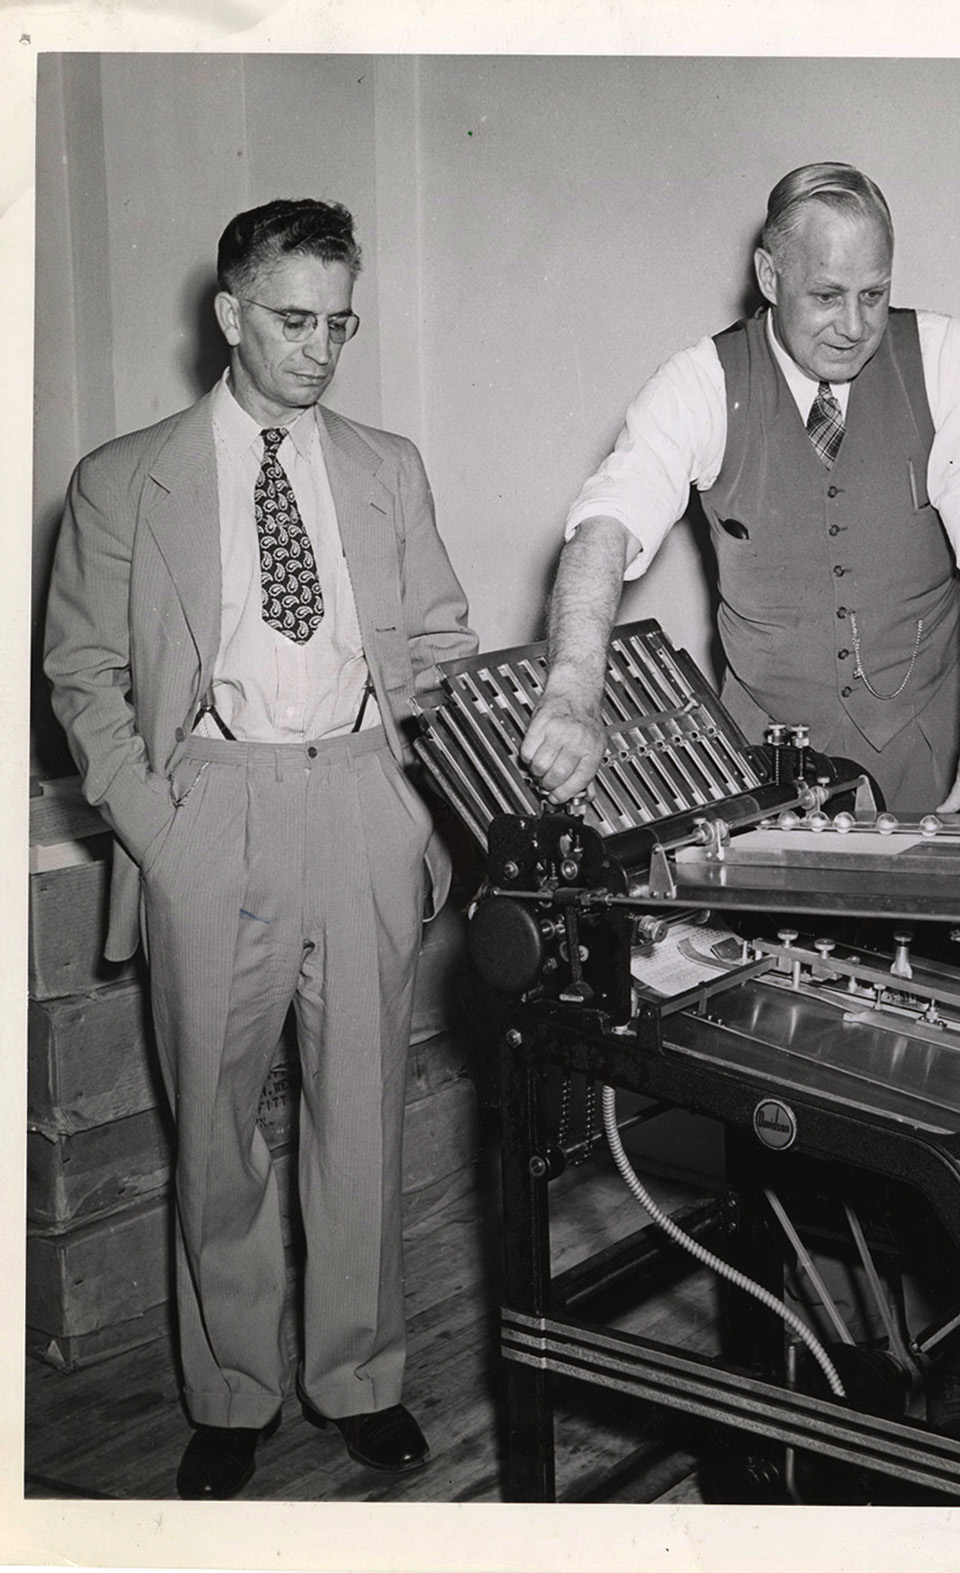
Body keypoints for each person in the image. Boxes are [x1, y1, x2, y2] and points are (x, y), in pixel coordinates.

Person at [43, 199, 477, 1500]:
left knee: (359, 1119)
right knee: (217, 1129)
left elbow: (445, 651)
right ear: (230, 313)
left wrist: (426, 811)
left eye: (338, 324)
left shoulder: (388, 466)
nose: (319, 351)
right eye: (293, 321)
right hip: (209, 814)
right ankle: (228, 1391)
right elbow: (80, 673)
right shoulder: (124, 479)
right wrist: (160, 833)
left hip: (362, 800)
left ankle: (360, 1378)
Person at [519, 161, 960, 825]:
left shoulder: (944, 358)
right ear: (770, 278)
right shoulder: (701, 382)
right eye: (826, 296)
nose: (854, 325)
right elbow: (606, 528)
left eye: (873, 295)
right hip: (762, 771)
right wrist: (570, 691)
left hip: (927, 762)